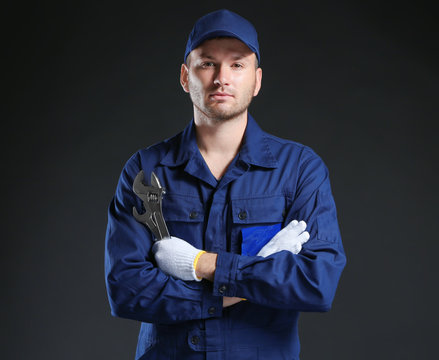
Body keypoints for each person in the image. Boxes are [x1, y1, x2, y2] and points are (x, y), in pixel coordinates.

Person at [105, 9, 346, 360]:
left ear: (257, 80)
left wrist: (203, 264)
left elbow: (315, 283)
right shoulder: (146, 169)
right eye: (207, 64)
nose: (222, 78)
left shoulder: (299, 169)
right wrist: (253, 277)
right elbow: (127, 290)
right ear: (186, 77)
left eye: (237, 65)